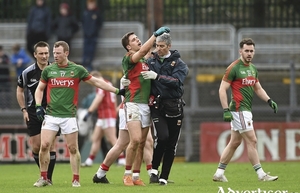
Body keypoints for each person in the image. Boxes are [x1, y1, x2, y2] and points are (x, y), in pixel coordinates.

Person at [33, 41, 124, 188]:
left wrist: (117, 91)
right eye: (54, 53)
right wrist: (38, 106)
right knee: (44, 146)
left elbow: (96, 82)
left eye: (58, 53)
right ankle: (44, 178)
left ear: (66, 53)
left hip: (68, 116)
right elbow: (39, 89)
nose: (55, 56)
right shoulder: (48, 70)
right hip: (51, 115)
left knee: (73, 148)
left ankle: (76, 179)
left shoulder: (77, 70)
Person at [212, 38, 279, 182]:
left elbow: (258, 88)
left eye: (251, 51)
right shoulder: (234, 68)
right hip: (239, 109)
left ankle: (219, 173)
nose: (249, 53)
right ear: (240, 51)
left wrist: (269, 100)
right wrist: (225, 110)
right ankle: (261, 174)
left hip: (246, 110)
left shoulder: (253, 69)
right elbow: (222, 89)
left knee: (235, 142)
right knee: (252, 140)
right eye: (246, 50)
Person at [119, 26, 170, 186]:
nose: (138, 40)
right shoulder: (129, 58)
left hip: (145, 105)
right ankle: (126, 174)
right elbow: (142, 52)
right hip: (133, 102)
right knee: (134, 140)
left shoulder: (144, 61)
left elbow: (150, 53)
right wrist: (155, 35)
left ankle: (135, 176)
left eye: (137, 38)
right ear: (128, 47)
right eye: (134, 40)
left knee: (142, 143)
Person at [140, 33, 189, 186]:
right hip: (158, 106)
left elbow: (176, 82)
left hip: (175, 106)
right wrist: (125, 82)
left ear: (169, 46)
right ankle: (154, 169)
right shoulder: (151, 61)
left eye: (161, 46)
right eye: (157, 45)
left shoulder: (180, 64)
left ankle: (164, 177)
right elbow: (137, 72)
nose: (158, 49)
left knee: (172, 144)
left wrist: (157, 77)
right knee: (162, 137)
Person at [92, 75, 154, 184]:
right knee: (124, 143)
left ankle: (150, 173)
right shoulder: (131, 72)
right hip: (130, 110)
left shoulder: (146, 68)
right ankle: (139, 173)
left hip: (138, 110)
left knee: (146, 141)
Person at [16, 41, 58, 186]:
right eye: (41, 53)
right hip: (33, 111)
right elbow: (20, 90)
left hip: (52, 112)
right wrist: (23, 109)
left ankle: (48, 179)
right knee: (36, 146)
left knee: (50, 145)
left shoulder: (55, 70)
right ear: (35, 55)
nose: (44, 56)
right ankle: (44, 175)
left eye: (46, 53)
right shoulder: (27, 73)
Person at [81, 70, 125, 167]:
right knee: (95, 138)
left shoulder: (101, 85)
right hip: (104, 116)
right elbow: (113, 101)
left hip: (107, 115)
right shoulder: (108, 83)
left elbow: (98, 99)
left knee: (112, 139)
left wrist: (89, 111)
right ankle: (89, 160)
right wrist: (115, 111)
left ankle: (122, 159)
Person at [81, 0, 104, 71]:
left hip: (93, 35)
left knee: (91, 50)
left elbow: (100, 23)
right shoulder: (85, 13)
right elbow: (83, 22)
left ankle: (89, 64)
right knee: (85, 50)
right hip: (86, 34)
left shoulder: (97, 13)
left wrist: (95, 30)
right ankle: (84, 63)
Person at [0, 45, 11, 109]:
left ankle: (7, 107)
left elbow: (8, 61)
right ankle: (1, 107)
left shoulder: (5, 56)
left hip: (6, 79)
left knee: (7, 93)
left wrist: (2, 61)